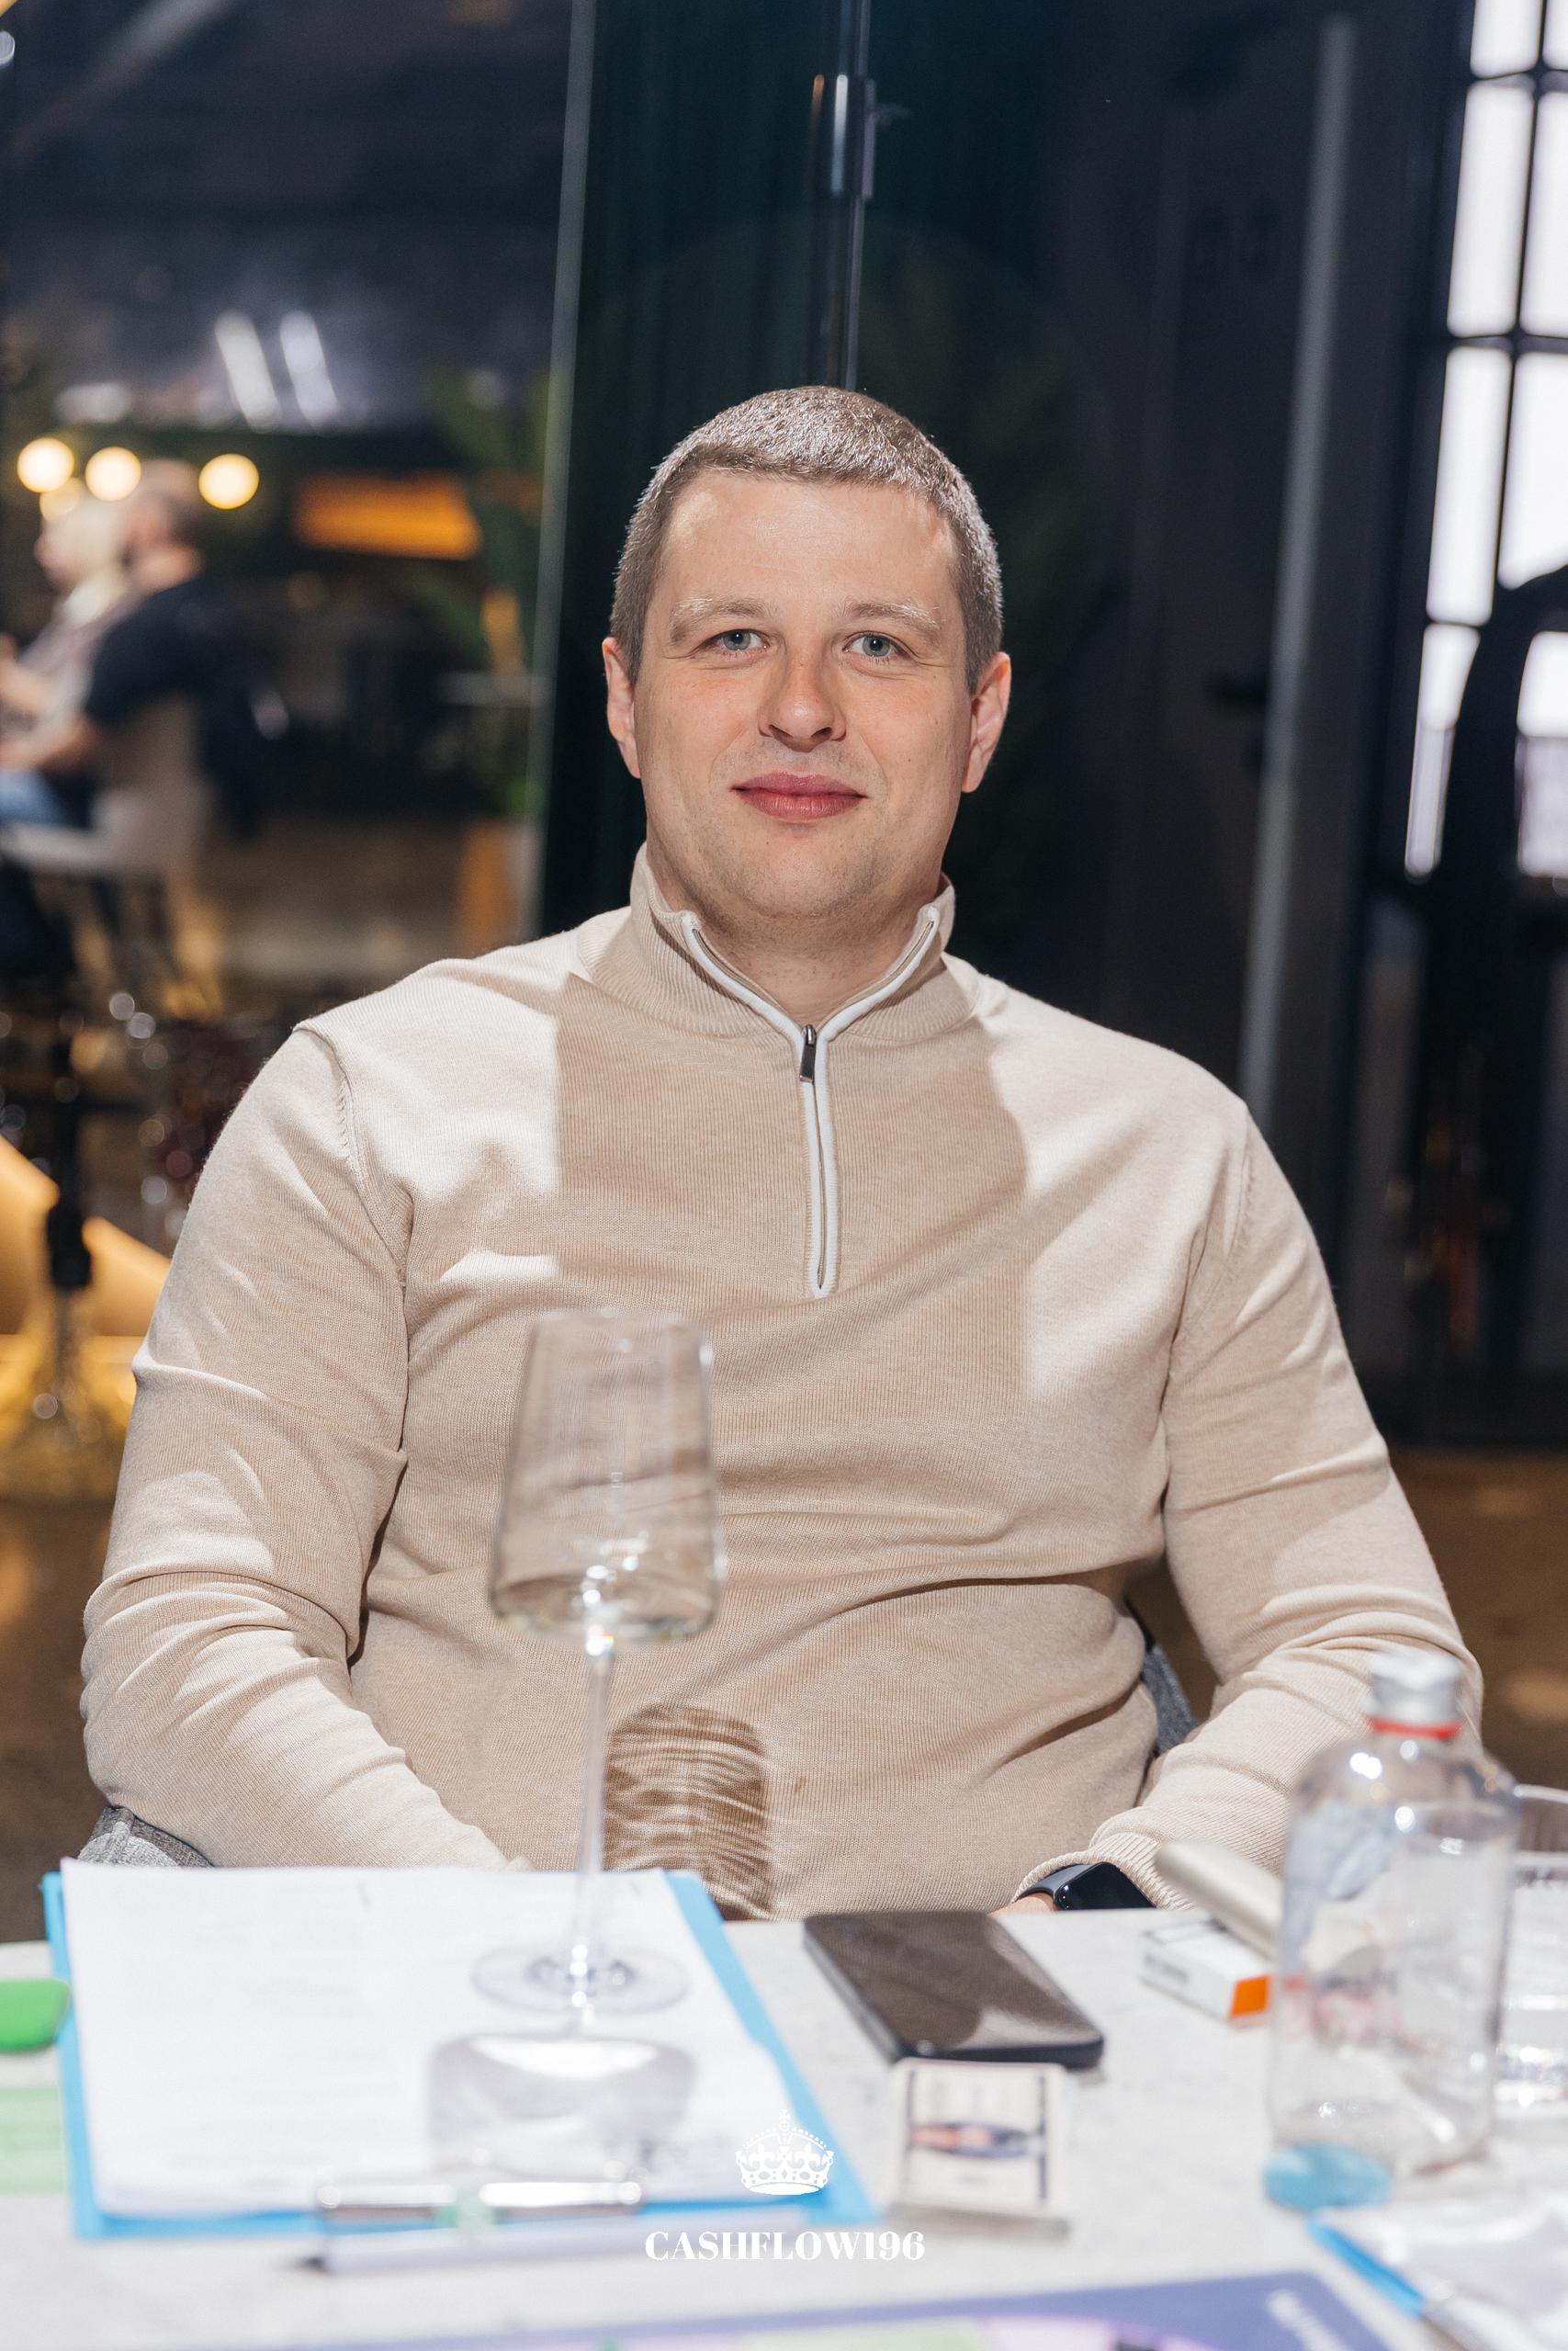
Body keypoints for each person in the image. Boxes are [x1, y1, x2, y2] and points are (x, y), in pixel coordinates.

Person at [80, 390, 1476, 1917]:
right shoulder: (370, 1102)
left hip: (1017, 2024)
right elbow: (188, 1645)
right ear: (625, 700)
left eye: (875, 645)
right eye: (731, 638)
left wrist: (1094, 1921)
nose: (800, 708)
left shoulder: (1168, 1150)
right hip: (490, 1999)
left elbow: (1366, 1650)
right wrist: (516, 1942)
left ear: (978, 719)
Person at [0, 460, 266, 842]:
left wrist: (10, 756)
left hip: (103, 810)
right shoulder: (218, 612)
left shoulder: (143, 631)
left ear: (147, 526)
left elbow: (74, 749)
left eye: (126, 515)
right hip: (195, 811)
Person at [0, 492, 131, 830]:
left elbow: (70, 711)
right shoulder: (82, 612)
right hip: (42, 774)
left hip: (63, 790)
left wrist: (8, 677)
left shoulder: (107, 622)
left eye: (53, 540)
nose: (41, 551)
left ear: (87, 545)